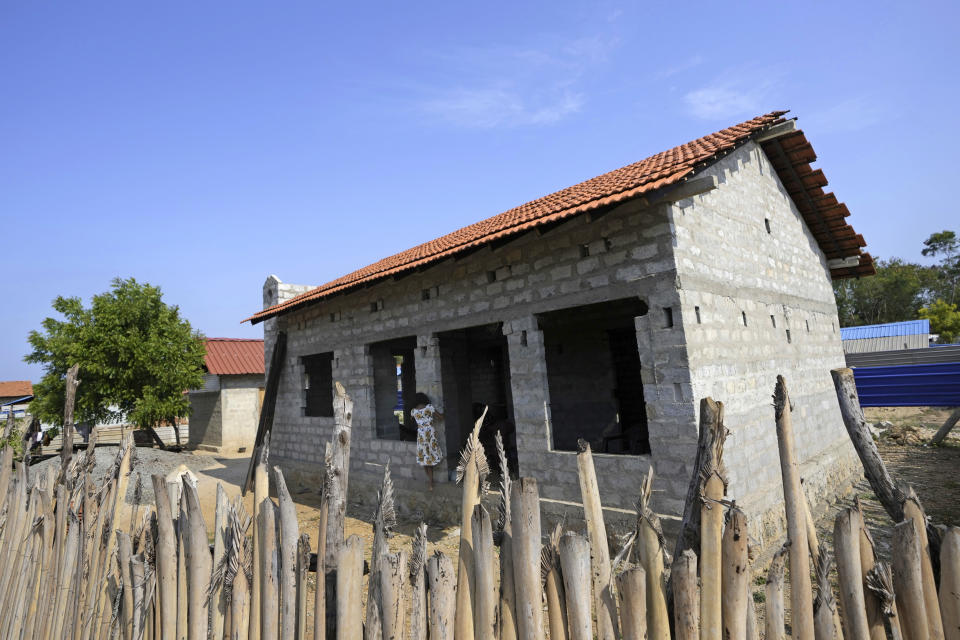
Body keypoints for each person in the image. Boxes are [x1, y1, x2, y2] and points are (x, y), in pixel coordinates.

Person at [411, 392, 444, 490]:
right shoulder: (429, 407)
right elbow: (441, 418)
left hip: (421, 437)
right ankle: (431, 482)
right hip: (430, 436)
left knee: (424, 460)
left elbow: (412, 419)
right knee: (430, 459)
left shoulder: (413, 411)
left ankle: (430, 482)